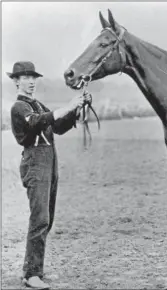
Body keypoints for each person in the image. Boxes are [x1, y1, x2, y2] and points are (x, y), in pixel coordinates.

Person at [7, 61, 91, 289]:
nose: (31, 82)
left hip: (49, 160)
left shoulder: (36, 104)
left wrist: (77, 108)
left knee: (47, 218)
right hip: (35, 162)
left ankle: (35, 271)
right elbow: (39, 122)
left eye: (33, 77)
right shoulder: (19, 107)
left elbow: (57, 126)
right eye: (26, 78)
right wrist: (69, 105)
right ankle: (31, 273)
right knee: (40, 218)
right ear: (16, 81)